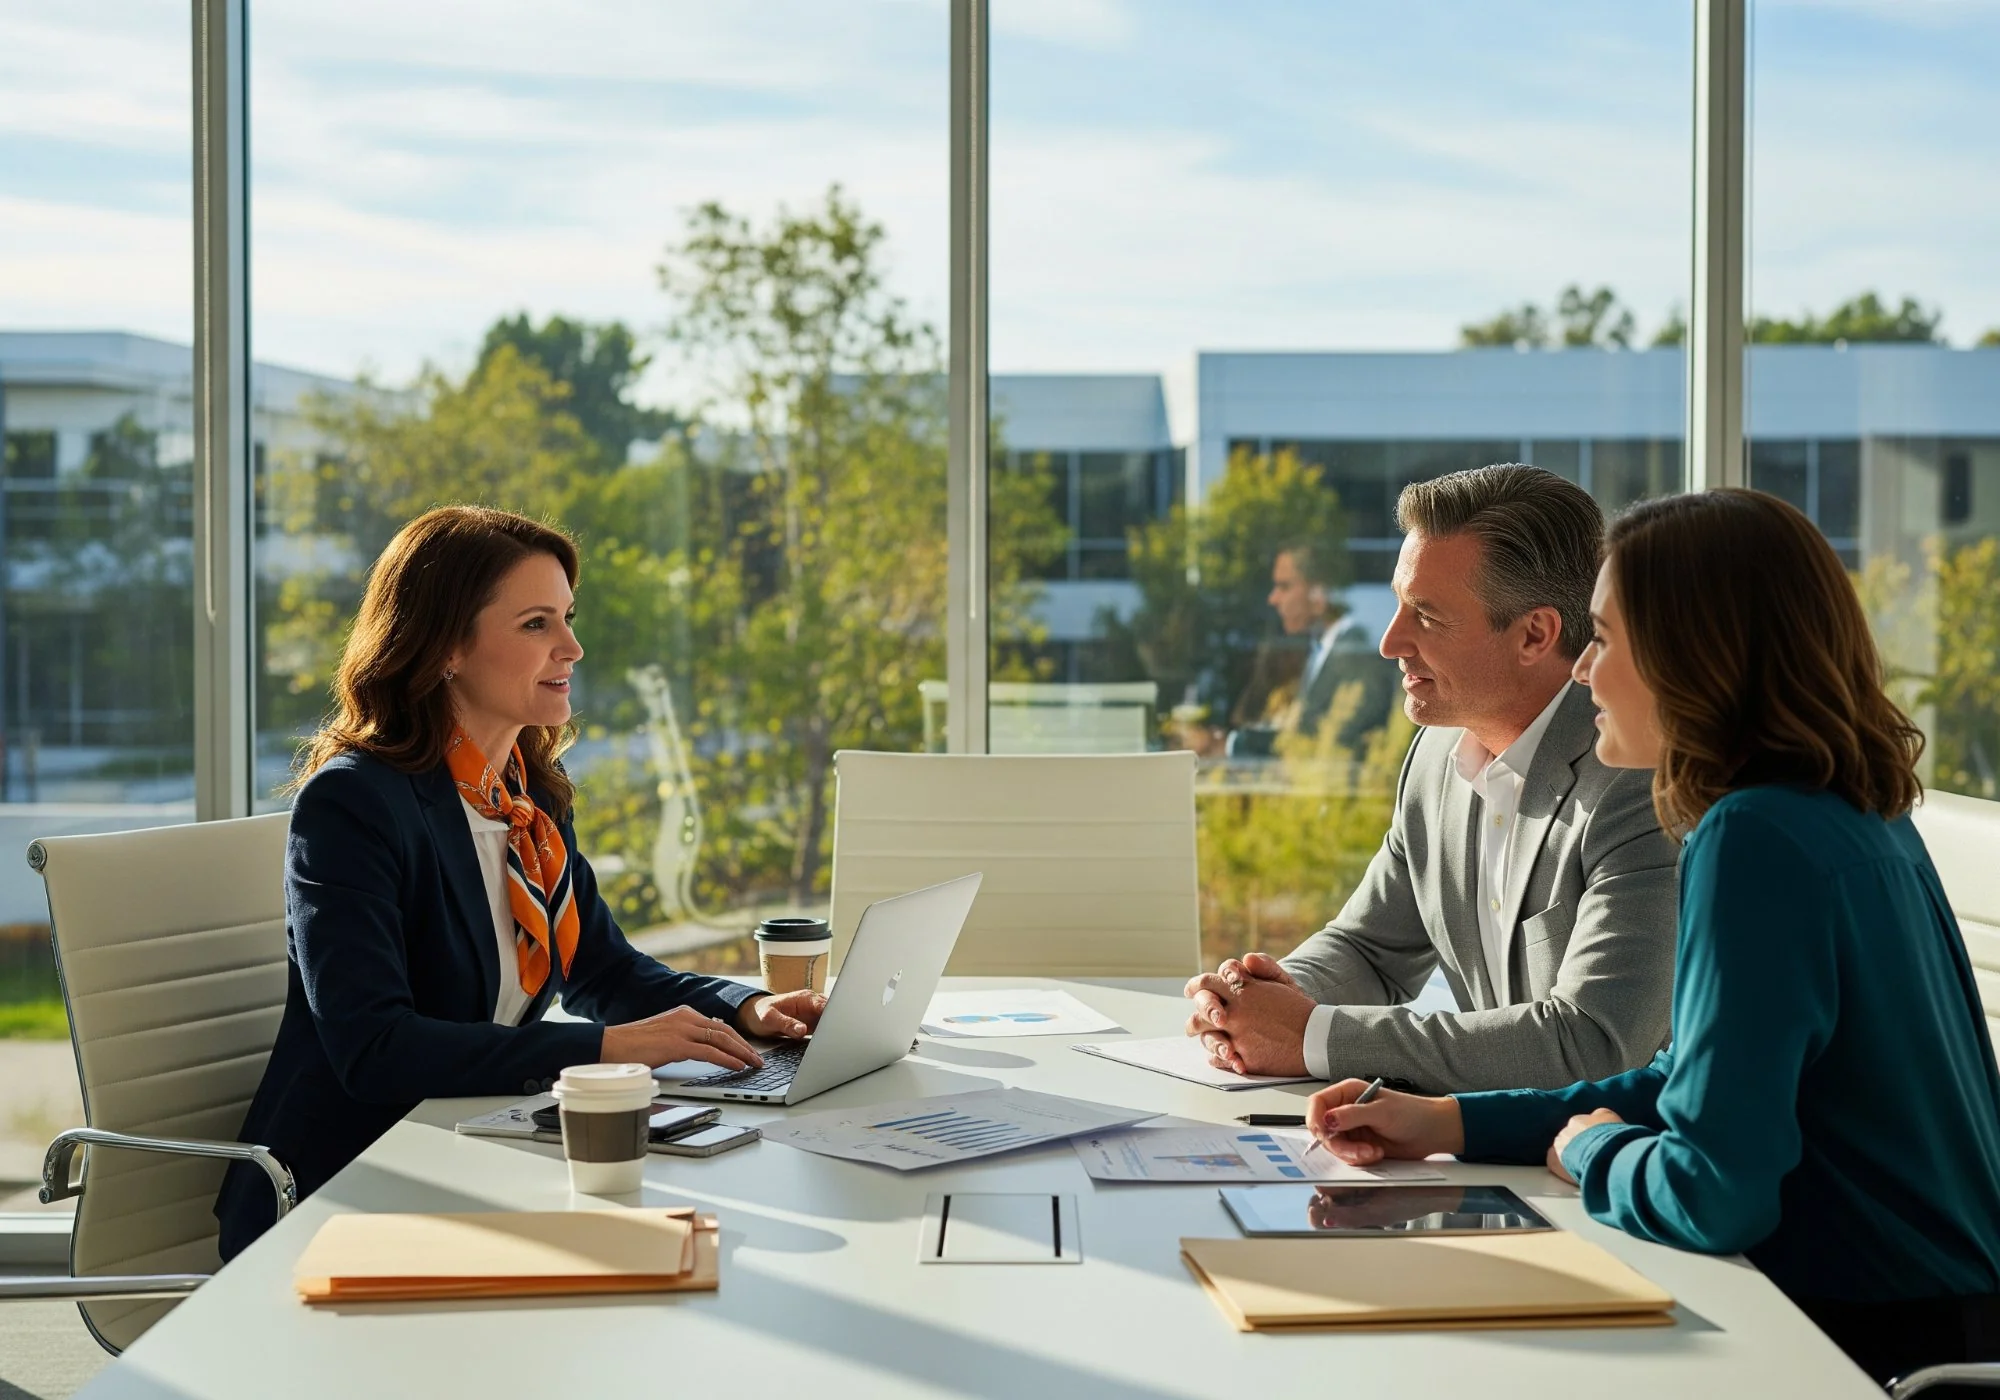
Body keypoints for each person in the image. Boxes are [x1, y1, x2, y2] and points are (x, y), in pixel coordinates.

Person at [1307, 489, 2000, 1385]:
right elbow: (1695, 1082)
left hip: (1860, 1347)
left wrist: (1588, 1148)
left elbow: (1713, 1193)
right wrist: (1449, 1121)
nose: (1584, 671)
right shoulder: (1850, 807)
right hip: (1939, 1313)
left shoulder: (1752, 838)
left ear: (1691, 656)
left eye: (1601, 638)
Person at [214, 507, 826, 1257]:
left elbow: (601, 971)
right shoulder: (353, 805)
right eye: (537, 624)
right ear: (444, 647)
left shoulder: (526, 793)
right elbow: (373, 1048)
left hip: (477, 1149)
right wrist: (603, 1048)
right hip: (350, 1186)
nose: (572, 646)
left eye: (567, 617)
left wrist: (748, 1007)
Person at [1186, 464, 1678, 1092]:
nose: (1391, 642)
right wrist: (1254, 1001)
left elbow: (1595, 1043)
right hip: (1486, 1153)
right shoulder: (1433, 757)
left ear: (1535, 634)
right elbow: (1370, 948)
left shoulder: (1636, 781)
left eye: (1426, 615)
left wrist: (1310, 1037)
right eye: (1398, 604)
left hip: (1605, 1164)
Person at [1220, 541, 1398, 760]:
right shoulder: (1324, 650)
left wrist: (1232, 745)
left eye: (1284, 587)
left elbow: (1328, 744)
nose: (1273, 598)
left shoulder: (1356, 659)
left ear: (1319, 594)